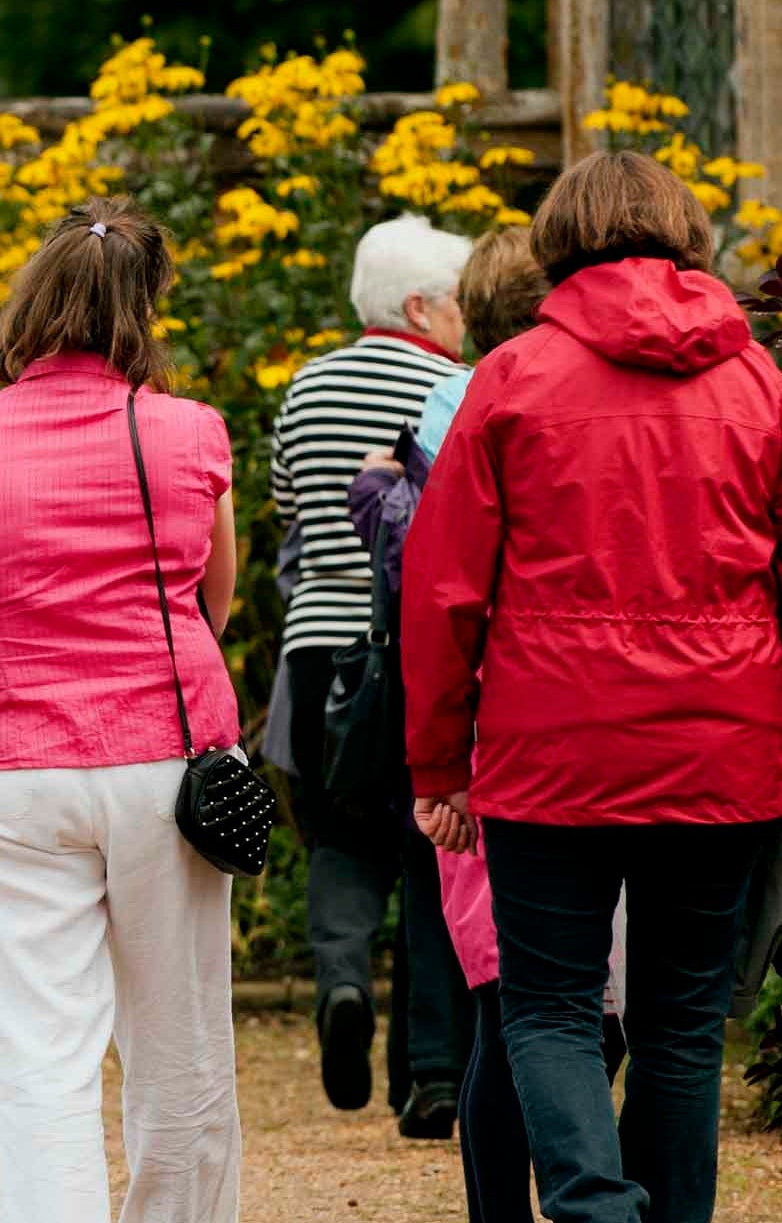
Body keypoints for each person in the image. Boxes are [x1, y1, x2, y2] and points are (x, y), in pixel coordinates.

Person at [401, 152, 782, 1223]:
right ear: (684, 238)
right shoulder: (754, 379)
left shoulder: (511, 381)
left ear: (560, 242)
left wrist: (438, 764)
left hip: (547, 752)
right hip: (720, 751)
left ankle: (592, 1206)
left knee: (551, 1008)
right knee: (679, 1026)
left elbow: (441, 592)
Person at [0, 198, 243, 1223]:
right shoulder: (189, 432)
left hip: (5, 765)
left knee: (43, 1052)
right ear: (142, 314)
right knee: (178, 1038)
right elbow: (212, 597)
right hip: (162, 755)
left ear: (32, 308)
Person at [345, 227, 611, 1223]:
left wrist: (436, 769)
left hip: (495, 733)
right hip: (568, 735)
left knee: (511, 1008)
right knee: (565, 1008)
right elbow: (444, 584)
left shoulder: (454, 407)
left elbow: (437, 592)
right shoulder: (511, 405)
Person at [264, 211, 476, 1132]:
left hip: (317, 654)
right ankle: (430, 1075)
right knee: (436, 848)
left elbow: (285, 517)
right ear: (421, 305)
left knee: (340, 840)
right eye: (458, 304)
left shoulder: (305, 389)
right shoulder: (452, 387)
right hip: (409, 652)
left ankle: (343, 983)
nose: (464, 321)